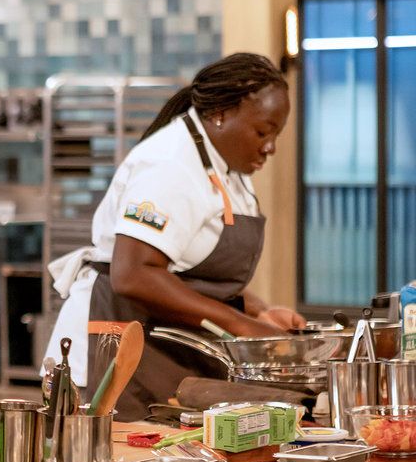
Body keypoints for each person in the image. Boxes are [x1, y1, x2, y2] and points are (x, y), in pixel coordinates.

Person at [44, 53, 304, 422]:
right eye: (263, 132)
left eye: (276, 135)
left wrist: (258, 311)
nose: (270, 147)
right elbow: (133, 274)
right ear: (220, 114)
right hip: (121, 351)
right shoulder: (170, 164)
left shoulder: (225, 166)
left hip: (168, 352)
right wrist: (241, 326)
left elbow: (190, 270)